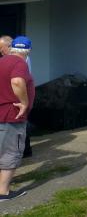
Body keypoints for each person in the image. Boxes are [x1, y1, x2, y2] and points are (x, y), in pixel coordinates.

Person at [0, 36, 34, 201]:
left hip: (1, 114)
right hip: (11, 116)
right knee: (11, 153)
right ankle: (3, 192)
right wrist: (24, 103)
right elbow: (17, 82)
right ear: (28, 51)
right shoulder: (20, 63)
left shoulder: (2, 61)